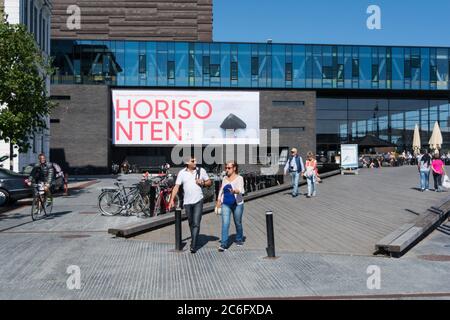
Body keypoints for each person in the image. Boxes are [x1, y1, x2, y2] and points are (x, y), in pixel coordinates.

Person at [169, 156, 212, 253]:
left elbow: (209, 182)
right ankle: (194, 238)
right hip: (187, 202)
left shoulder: (201, 170)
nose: (195, 162)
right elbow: (176, 186)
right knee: (191, 223)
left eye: (196, 160)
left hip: (198, 200)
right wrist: (172, 199)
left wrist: (203, 182)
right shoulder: (182, 173)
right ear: (187, 163)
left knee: (196, 223)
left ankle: (193, 245)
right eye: (193, 161)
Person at [215, 161, 245, 252]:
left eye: (229, 168)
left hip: (237, 203)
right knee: (225, 223)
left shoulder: (240, 178)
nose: (227, 170)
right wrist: (218, 200)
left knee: (238, 222)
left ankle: (239, 238)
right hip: (226, 203)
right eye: (226, 168)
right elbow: (221, 190)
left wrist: (235, 191)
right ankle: (223, 244)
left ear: (234, 168)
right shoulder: (225, 178)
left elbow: (242, 190)